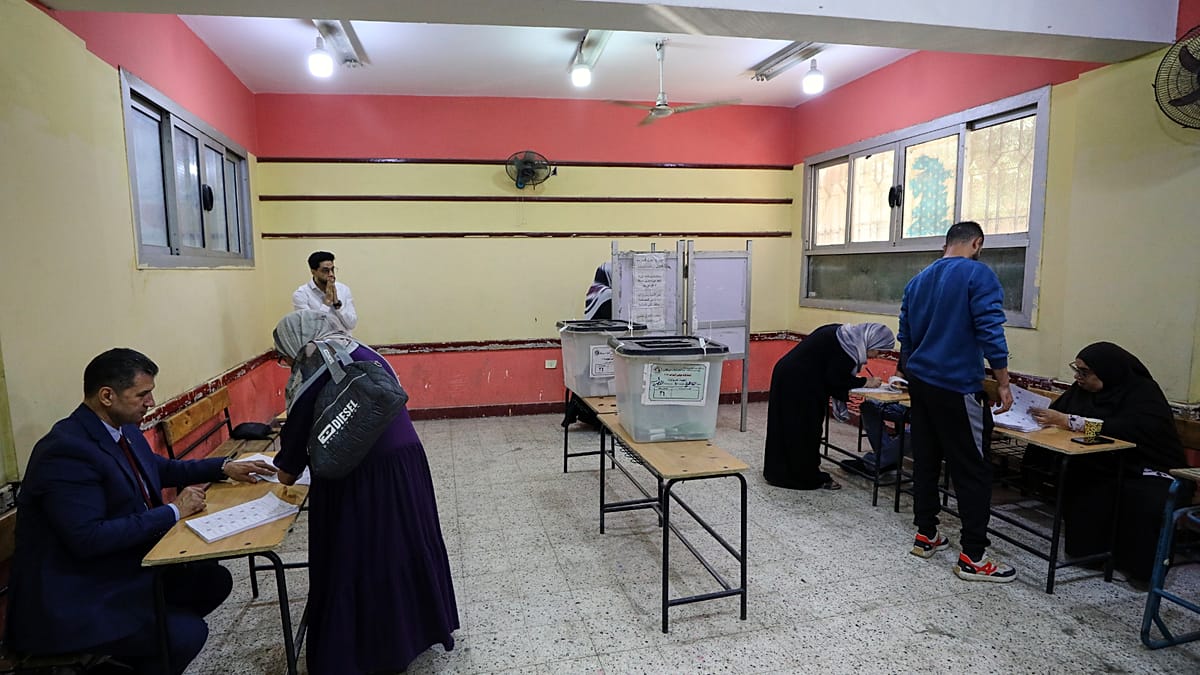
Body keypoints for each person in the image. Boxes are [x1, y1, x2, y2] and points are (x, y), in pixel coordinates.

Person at [5, 348, 276, 674]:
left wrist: (224, 466)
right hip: (76, 595)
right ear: (107, 396)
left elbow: (158, 468)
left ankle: (142, 646)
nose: (151, 402)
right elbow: (88, 538)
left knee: (211, 580)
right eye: (142, 394)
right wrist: (173, 511)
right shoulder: (66, 451)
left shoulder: (122, 428)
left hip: (118, 569)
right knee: (186, 635)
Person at [272, 310, 458, 673]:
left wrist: (277, 468)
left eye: (282, 355)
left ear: (294, 343)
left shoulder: (312, 368)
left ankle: (378, 649)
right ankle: (419, 630)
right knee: (405, 544)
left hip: (363, 476)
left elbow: (287, 472)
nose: (285, 362)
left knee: (365, 555)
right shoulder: (359, 349)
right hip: (406, 461)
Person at [898, 220, 1016, 583]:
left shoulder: (918, 281)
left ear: (946, 243)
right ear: (977, 243)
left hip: (921, 384)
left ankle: (926, 534)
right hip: (957, 387)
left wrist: (915, 375)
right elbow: (990, 331)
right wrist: (1003, 382)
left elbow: (906, 337)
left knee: (926, 460)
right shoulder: (978, 275)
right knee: (973, 469)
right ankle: (973, 556)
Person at [1029, 342, 1191, 581]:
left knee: (1144, 500)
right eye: (1077, 370)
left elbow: (1123, 429)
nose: (1077, 377)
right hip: (1108, 462)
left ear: (1108, 371)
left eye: (1084, 372)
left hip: (1151, 467)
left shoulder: (1142, 394)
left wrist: (1071, 421)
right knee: (1085, 481)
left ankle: (1139, 570)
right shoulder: (1082, 390)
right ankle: (1090, 555)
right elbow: (1058, 414)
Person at [763, 322, 894, 491]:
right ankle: (805, 477)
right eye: (879, 351)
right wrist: (865, 382)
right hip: (799, 384)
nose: (876, 356)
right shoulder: (847, 347)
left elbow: (831, 372)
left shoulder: (845, 335)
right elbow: (835, 380)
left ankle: (777, 472)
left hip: (789, 376)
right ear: (871, 341)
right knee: (805, 430)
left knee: (784, 427)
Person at [562, 262, 613, 429]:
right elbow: (611, 318)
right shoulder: (607, 294)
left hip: (593, 341)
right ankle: (595, 418)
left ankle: (580, 413)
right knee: (600, 383)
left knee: (590, 379)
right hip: (603, 342)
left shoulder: (595, 289)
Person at [292, 251, 357, 332]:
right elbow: (310, 329)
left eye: (332, 269)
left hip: (344, 339)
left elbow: (352, 324)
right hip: (320, 340)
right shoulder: (301, 294)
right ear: (313, 272)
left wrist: (337, 304)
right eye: (325, 270)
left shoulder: (343, 289)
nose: (331, 274)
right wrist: (326, 304)